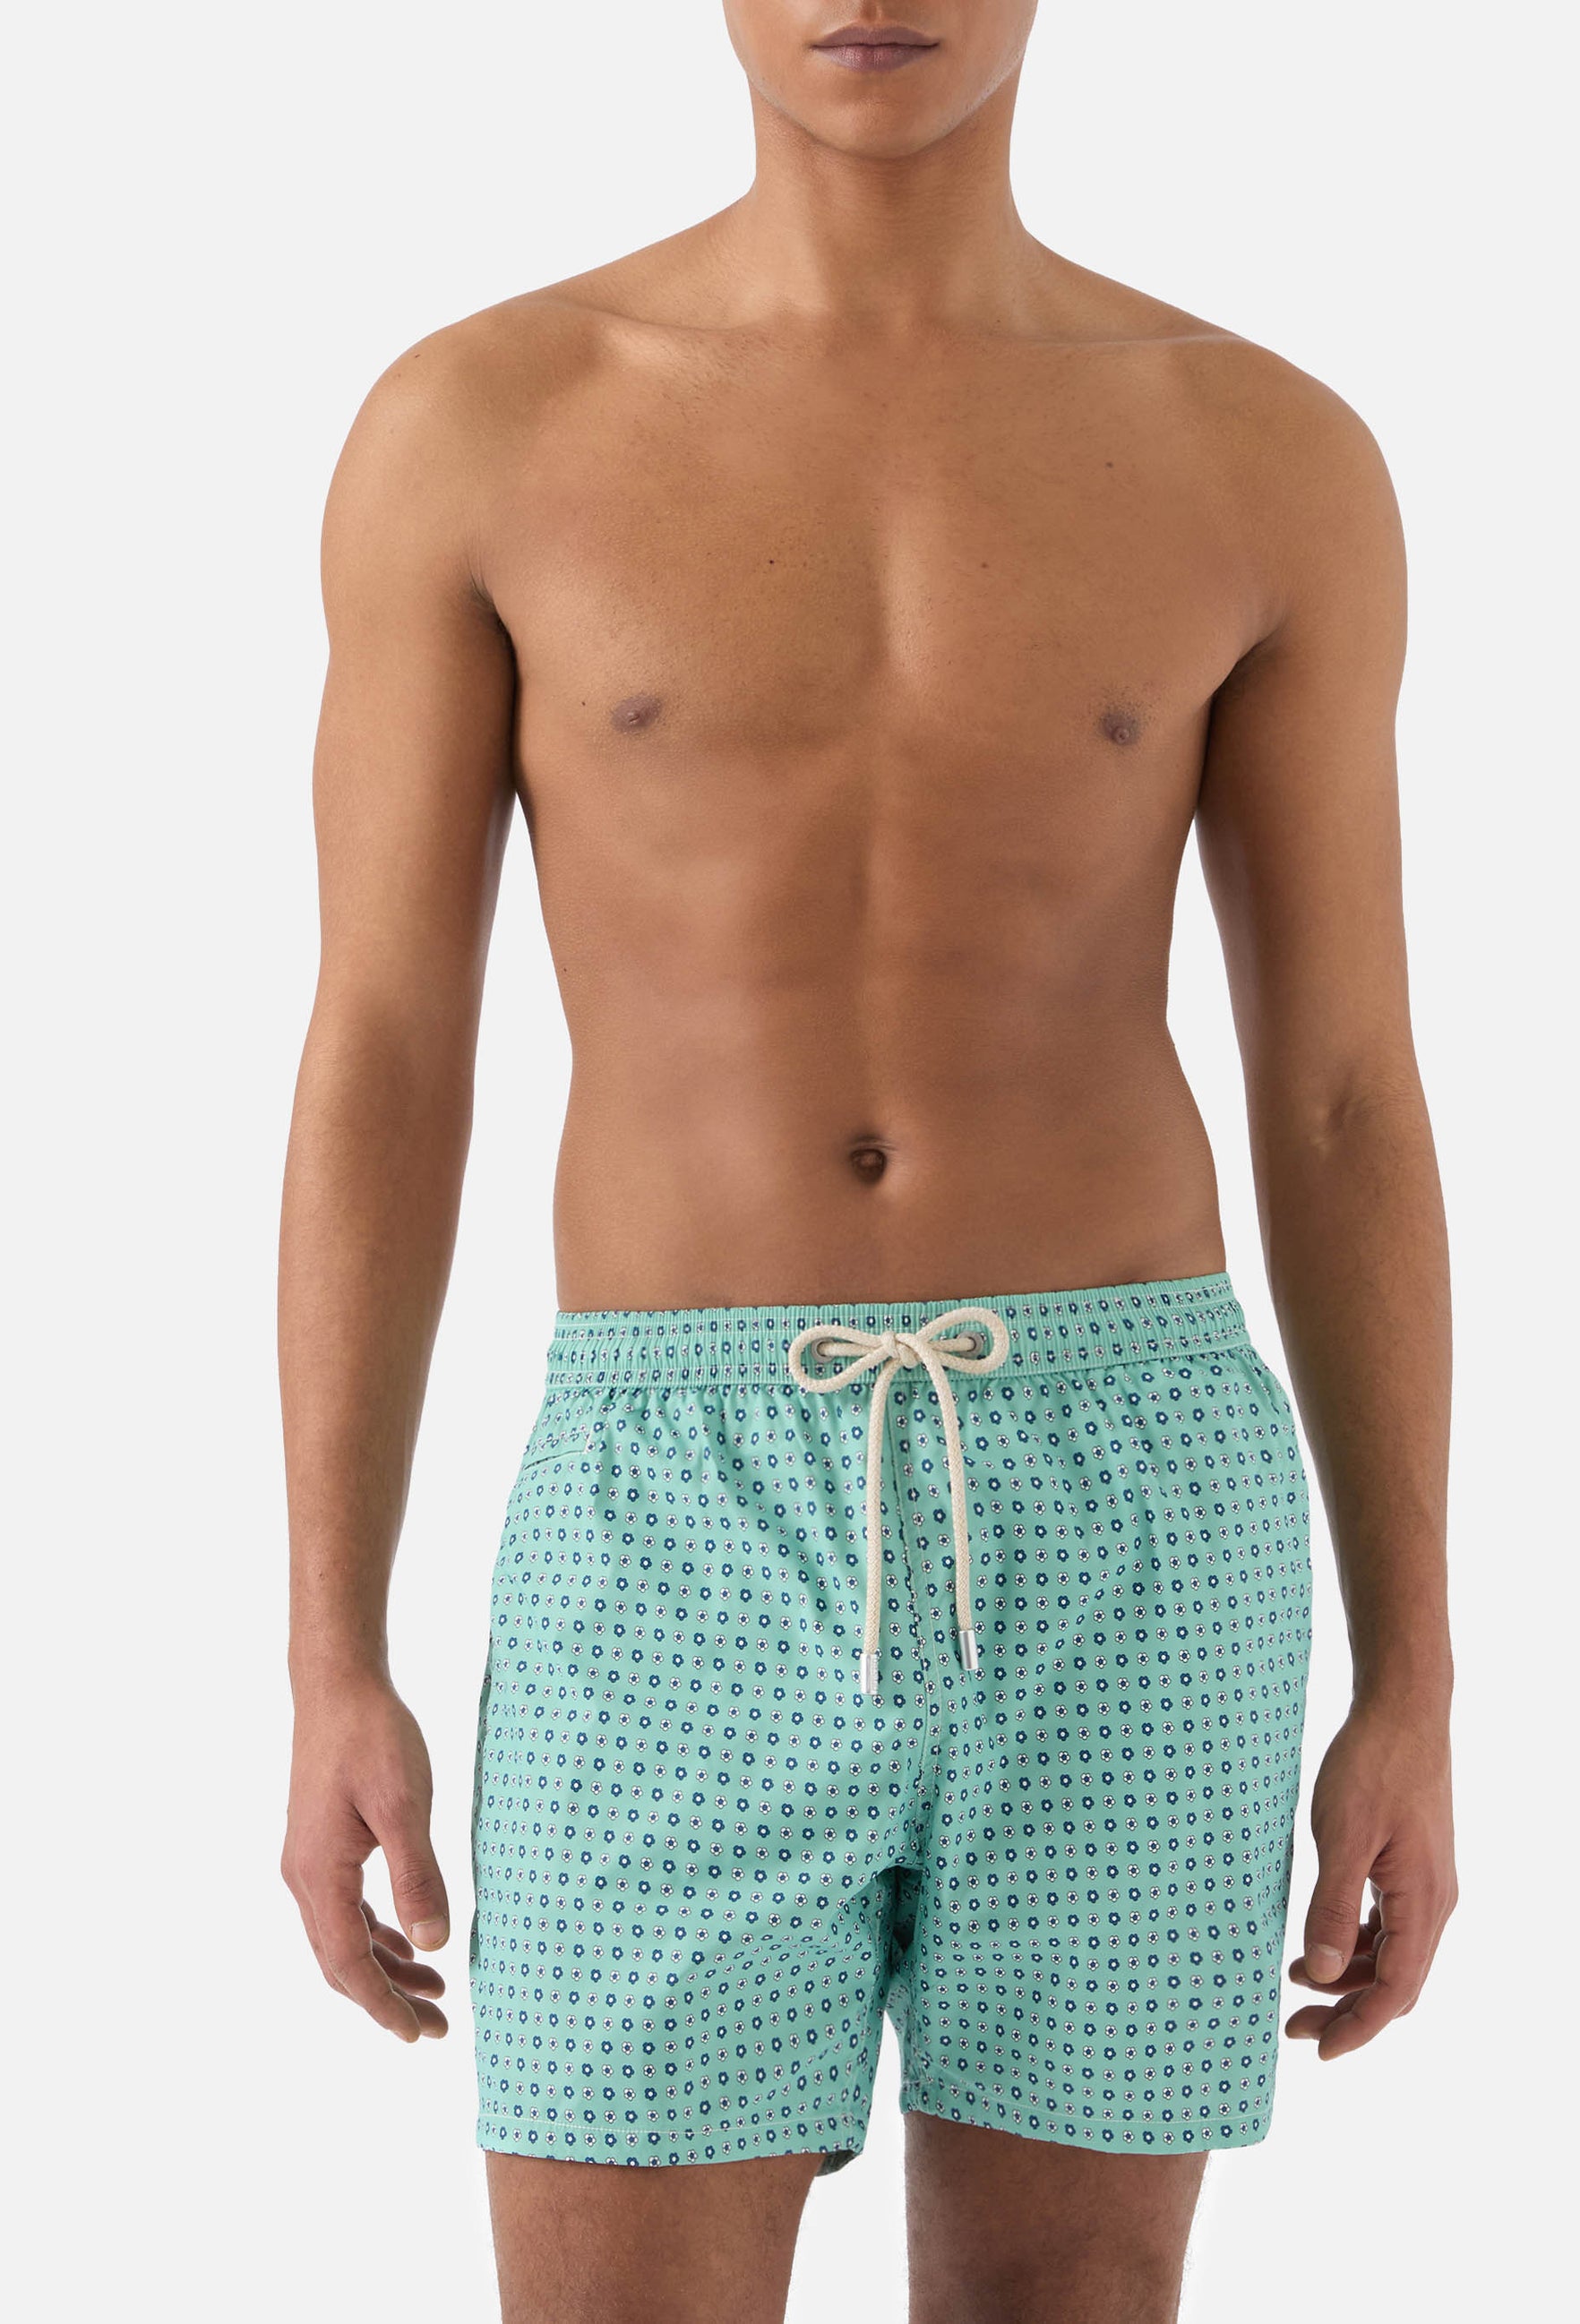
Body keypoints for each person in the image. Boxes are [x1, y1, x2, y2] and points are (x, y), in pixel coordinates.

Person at [279, 5, 1457, 2317]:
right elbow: (386, 1060)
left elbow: (1338, 1087)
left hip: (1138, 1504)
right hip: (671, 1508)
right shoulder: (484, 424)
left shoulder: (1260, 450)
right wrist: (333, 1645)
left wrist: (1413, 1670)